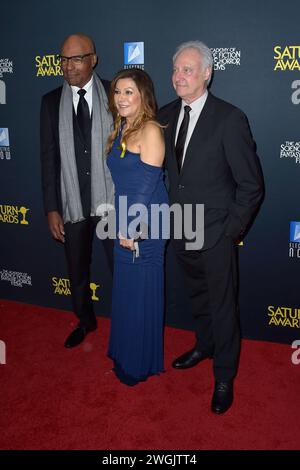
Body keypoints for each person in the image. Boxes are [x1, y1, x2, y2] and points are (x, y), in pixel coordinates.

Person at [159, 41, 264, 413]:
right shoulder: (165, 115)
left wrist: (230, 230)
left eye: (188, 69)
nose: (178, 77)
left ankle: (224, 375)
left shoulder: (229, 118)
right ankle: (204, 345)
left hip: (217, 232)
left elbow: (251, 185)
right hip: (180, 228)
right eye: (175, 70)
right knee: (199, 299)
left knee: (222, 306)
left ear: (207, 73)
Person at [40, 33, 114, 348]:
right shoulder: (49, 101)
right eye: (63, 59)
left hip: (110, 199)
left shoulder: (116, 92)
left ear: (93, 59)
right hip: (72, 201)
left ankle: (127, 323)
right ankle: (85, 321)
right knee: (76, 270)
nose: (68, 67)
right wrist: (52, 207)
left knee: (121, 269)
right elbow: (48, 158)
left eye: (76, 59)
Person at [106, 68, 168, 386]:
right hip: (124, 217)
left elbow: (146, 183)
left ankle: (139, 362)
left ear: (143, 95)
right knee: (127, 290)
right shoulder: (122, 127)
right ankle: (126, 352)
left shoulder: (151, 130)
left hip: (147, 221)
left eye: (129, 92)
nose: (121, 98)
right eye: (118, 91)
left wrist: (131, 228)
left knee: (142, 290)